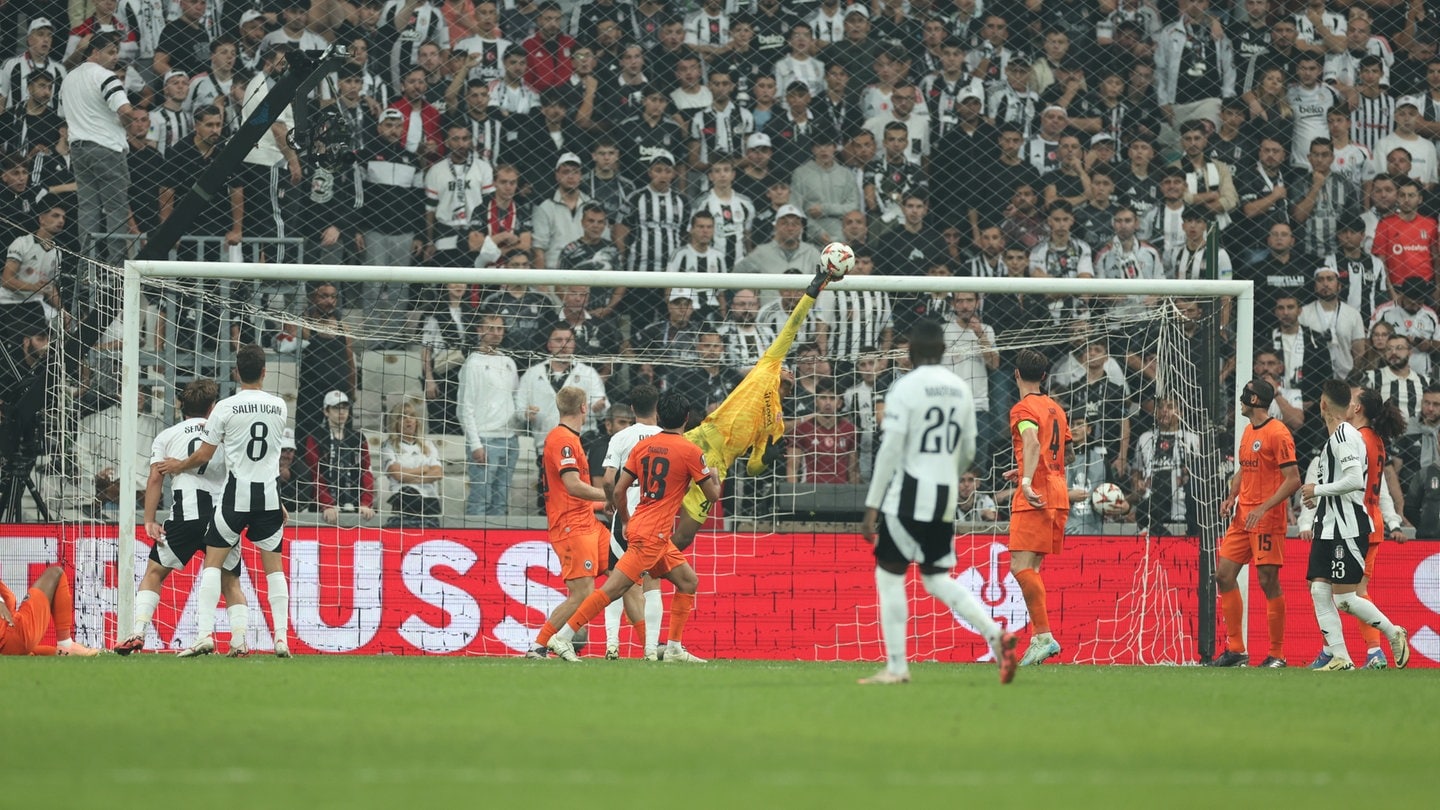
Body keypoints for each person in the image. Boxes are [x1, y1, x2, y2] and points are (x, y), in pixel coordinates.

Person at [858, 320, 1018, 685]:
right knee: (935, 577)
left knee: (889, 575)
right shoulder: (959, 389)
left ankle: (897, 667)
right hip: (945, 493)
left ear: (911, 353)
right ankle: (996, 634)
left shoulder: (904, 388)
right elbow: (969, 450)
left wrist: (872, 506)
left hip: (910, 492)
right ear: (944, 352)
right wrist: (948, 473)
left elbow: (891, 450)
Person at [668, 263, 836, 552]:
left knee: (684, 537)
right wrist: (811, 293)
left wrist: (769, 457)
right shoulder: (768, 366)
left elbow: (754, 467)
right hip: (698, 440)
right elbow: (791, 327)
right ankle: (631, 557)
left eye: (791, 372)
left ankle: (650, 568)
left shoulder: (777, 423)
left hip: (718, 466)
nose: (790, 371)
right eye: (788, 368)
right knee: (653, 504)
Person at [546, 391, 723, 663]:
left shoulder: (643, 446)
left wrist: (627, 519)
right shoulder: (691, 450)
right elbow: (712, 496)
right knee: (612, 589)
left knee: (688, 581)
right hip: (652, 535)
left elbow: (617, 489)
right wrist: (714, 476)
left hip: (644, 527)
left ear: (660, 416)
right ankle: (564, 636)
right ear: (686, 419)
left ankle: (673, 647)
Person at [159, 344, 292, 659]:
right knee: (274, 569)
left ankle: (205, 634)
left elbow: (204, 455)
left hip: (236, 497)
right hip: (270, 496)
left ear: (236, 372)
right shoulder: (280, 406)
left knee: (213, 564)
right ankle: (282, 640)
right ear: (264, 371)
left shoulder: (225, 408)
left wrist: (177, 466)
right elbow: (270, 456)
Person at [116, 379, 249, 655]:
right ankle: (239, 641)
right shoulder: (223, 437)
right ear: (212, 408)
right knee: (230, 582)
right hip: (221, 519)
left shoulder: (167, 436)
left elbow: (155, 478)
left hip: (185, 518)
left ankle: (138, 631)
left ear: (180, 406)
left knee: (154, 572)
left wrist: (149, 520)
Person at [1298, 381, 1410, 671]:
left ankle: (1391, 632)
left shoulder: (1346, 434)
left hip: (1346, 529)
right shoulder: (1339, 435)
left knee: (1346, 598)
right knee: (1319, 591)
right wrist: (1318, 498)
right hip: (1328, 526)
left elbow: (1355, 481)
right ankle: (1340, 657)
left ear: (1323, 405)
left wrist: (1317, 491)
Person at [1211, 378, 1301, 668]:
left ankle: (1277, 654)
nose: (1239, 400)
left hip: (1266, 518)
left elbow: (1293, 480)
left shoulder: (1279, 433)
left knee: (1267, 581)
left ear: (1253, 401)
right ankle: (1236, 650)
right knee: (1224, 575)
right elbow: (1244, 469)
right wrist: (1231, 497)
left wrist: (1263, 508)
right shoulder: (1249, 431)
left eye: (1243, 395)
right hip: (1242, 517)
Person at [526, 386, 612, 660]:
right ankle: (539, 645)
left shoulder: (569, 439)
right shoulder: (562, 440)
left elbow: (574, 493)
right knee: (583, 592)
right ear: (584, 408)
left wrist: (603, 503)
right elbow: (573, 486)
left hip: (588, 522)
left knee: (625, 575)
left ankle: (648, 642)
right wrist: (611, 495)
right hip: (571, 526)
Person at [1006, 349, 1072, 666]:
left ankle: (1043, 636)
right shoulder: (1056, 409)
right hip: (1058, 491)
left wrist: (1027, 480)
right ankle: (1039, 637)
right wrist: (1022, 469)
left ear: (1016, 374)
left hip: (1037, 492)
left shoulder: (1022, 409)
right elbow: (1064, 454)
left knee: (1020, 567)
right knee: (1031, 568)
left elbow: (1032, 442)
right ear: (1044, 377)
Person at [1342, 387, 1409, 668]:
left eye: (1352, 399)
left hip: (1357, 522)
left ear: (1358, 408)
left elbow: (1352, 482)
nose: (1348, 402)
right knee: (1353, 592)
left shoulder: (1358, 440)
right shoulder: (1376, 440)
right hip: (1372, 520)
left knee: (1344, 594)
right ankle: (1373, 653)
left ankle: (1385, 640)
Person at [599, 384, 665, 659]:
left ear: (633, 410)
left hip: (626, 514)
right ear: (657, 409)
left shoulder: (621, 436)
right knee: (652, 582)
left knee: (616, 579)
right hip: (656, 518)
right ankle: (651, 649)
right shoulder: (669, 437)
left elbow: (607, 479)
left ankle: (612, 644)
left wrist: (611, 503)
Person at [59, 31, 133, 268]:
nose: (114, 58)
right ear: (95, 51)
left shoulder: (69, 78)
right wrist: (129, 123)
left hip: (78, 149)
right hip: (107, 148)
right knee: (115, 209)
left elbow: (63, 114)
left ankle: (88, 264)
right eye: (110, 52)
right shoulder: (106, 76)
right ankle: (116, 267)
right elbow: (125, 111)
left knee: (88, 208)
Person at [457, 312, 520, 517]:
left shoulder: (509, 362)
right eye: (490, 328)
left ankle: (496, 547)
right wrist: (475, 444)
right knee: (480, 498)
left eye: (499, 329)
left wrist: (525, 413)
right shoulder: (472, 363)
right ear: (479, 330)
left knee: (501, 500)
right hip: (485, 439)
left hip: (510, 440)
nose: (495, 333)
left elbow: (514, 398)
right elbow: (464, 408)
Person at [303, 391, 377, 525]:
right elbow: (314, 473)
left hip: (355, 505)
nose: (342, 412)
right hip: (322, 508)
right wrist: (327, 504)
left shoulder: (358, 438)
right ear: (326, 411)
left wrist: (366, 502)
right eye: (336, 408)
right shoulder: (315, 437)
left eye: (345, 407)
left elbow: (367, 471)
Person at [0, 565, 99, 656]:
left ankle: (63, 650)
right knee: (55, 573)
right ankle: (66, 644)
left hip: (8, 644)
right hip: (12, 633)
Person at [381, 399, 444, 528]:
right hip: (403, 500)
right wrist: (424, 470)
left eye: (412, 416)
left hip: (428, 501)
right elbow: (397, 474)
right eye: (403, 416)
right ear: (395, 422)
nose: (408, 420)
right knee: (408, 491)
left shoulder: (428, 445)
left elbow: (438, 473)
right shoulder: (389, 446)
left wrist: (409, 477)